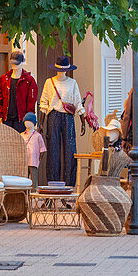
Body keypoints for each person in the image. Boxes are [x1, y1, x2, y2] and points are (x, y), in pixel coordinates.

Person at [39, 55, 84, 186]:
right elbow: (44, 103)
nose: (62, 72)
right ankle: (53, 185)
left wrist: (82, 119)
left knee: (70, 150)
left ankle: (69, 185)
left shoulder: (72, 83)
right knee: (53, 151)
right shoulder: (49, 82)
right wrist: (41, 123)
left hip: (68, 117)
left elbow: (77, 102)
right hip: (53, 115)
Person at [0, 50, 39, 132]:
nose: (14, 65)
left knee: (21, 142)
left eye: (16, 63)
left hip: (22, 119)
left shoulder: (29, 80)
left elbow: (31, 101)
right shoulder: (4, 79)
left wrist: (29, 119)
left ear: (22, 62)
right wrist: (0, 115)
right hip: (6, 118)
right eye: (12, 63)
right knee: (7, 142)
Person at [21, 113, 47, 189]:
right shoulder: (22, 135)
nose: (27, 123)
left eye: (29, 121)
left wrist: (40, 157)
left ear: (33, 123)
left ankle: (34, 192)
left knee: (34, 178)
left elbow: (42, 148)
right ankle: (26, 193)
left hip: (33, 160)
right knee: (25, 178)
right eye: (25, 121)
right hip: (24, 160)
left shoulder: (38, 136)